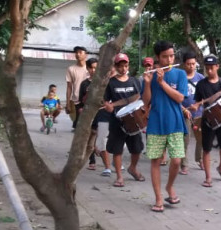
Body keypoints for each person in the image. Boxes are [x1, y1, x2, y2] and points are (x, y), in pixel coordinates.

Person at [142, 41, 188, 211]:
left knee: (176, 160)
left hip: (175, 123)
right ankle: (159, 198)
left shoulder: (180, 74)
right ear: (157, 58)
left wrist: (162, 83)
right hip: (155, 123)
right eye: (165, 56)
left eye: (171, 55)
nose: (169, 59)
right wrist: (147, 83)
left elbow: (180, 98)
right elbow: (146, 102)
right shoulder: (150, 75)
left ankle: (169, 186)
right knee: (155, 161)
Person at [103, 53, 145, 187]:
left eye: (125, 66)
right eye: (120, 66)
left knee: (137, 149)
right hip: (117, 121)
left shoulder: (134, 81)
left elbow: (139, 97)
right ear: (115, 67)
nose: (123, 69)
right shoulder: (111, 82)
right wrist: (108, 106)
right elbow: (106, 100)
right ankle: (119, 177)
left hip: (134, 120)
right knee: (117, 150)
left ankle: (133, 168)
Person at [191, 54, 221, 187]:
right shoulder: (201, 84)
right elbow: (198, 102)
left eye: (212, 68)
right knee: (207, 148)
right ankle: (208, 176)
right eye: (207, 68)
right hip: (208, 120)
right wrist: (196, 105)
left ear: (217, 67)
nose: (209, 71)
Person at [180, 52, 204, 175]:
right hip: (184, 113)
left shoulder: (200, 78)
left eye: (193, 64)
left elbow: (205, 95)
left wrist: (198, 105)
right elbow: (175, 97)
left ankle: (200, 159)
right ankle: (183, 164)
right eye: (188, 64)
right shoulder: (180, 77)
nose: (191, 66)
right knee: (185, 139)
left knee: (201, 138)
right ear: (184, 64)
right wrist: (184, 109)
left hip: (199, 113)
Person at [79, 57, 99, 169]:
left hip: (101, 114)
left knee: (100, 137)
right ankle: (92, 161)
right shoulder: (84, 84)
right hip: (89, 115)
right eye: (91, 68)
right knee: (90, 137)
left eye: (96, 68)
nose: (93, 70)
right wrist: (81, 109)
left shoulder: (103, 83)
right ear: (87, 69)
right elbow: (81, 100)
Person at [65, 46, 88, 130]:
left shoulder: (91, 68)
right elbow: (69, 87)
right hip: (76, 100)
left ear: (86, 55)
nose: (78, 54)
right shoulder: (71, 69)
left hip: (89, 99)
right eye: (76, 53)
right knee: (78, 126)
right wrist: (68, 103)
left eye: (80, 52)